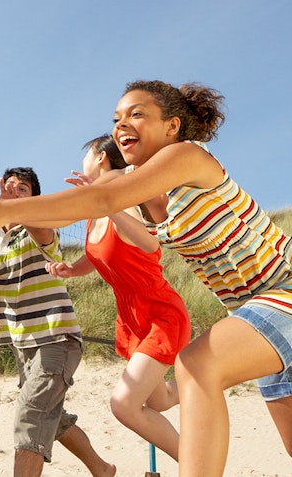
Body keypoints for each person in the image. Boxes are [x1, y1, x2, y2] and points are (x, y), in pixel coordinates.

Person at [0, 80, 292, 477]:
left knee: (197, 365)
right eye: (116, 117)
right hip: (256, 314)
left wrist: (6, 210)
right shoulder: (126, 182)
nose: (120, 125)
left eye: (136, 114)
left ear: (172, 126)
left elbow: (102, 199)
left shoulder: (186, 155)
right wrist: (7, 213)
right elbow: (81, 209)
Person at [0, 167, 116, 477]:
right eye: (10, 187)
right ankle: (103, 469)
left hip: (56, 339)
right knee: (52, 417)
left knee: (30, 416)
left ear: (34, 199)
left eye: (23, 190)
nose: (15, 191)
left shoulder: (39, 227)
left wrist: (13, 207)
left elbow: (40, 228)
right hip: (22, 345)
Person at [46, 134, 189, 461]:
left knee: (124, 404)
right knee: (161, 400)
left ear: (100, 157)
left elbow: (152, 245)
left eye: (86, 154)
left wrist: (108, 204)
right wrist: (71, 269)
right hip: (131, 318)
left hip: (160, 312)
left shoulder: (121, 199)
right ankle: (207, 377)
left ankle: (196, 465)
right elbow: (102, 255)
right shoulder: (98, 210)